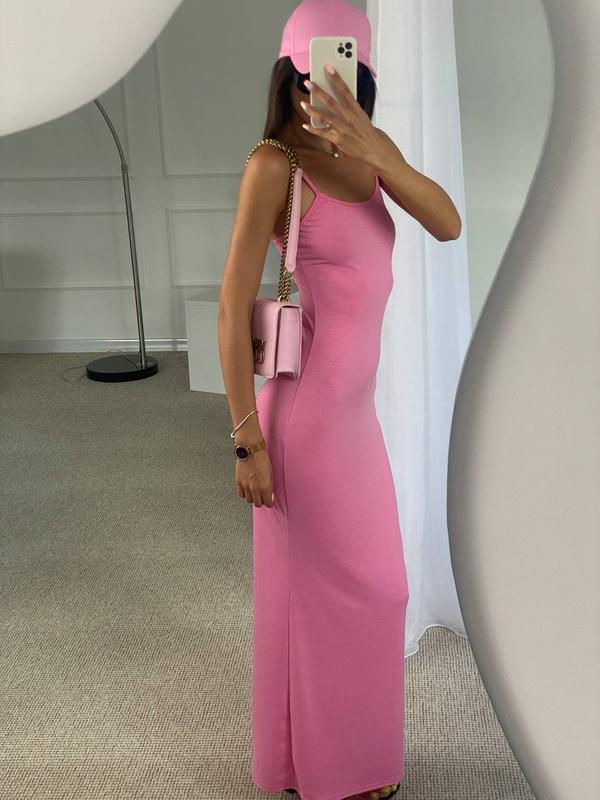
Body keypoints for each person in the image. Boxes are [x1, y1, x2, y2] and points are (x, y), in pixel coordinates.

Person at [217, 2, 462, 799]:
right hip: (306, 423)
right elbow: (231, 307)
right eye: (316, 74)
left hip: (356, 423)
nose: (330, 89)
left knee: (367, 592)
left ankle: (324, 761)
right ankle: (333, 771)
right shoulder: (274, 164)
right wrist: (246, 442)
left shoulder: (367, 156)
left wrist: (377, 149)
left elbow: (448, 223)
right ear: (291, 76)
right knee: (348, 591)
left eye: (348, 76)